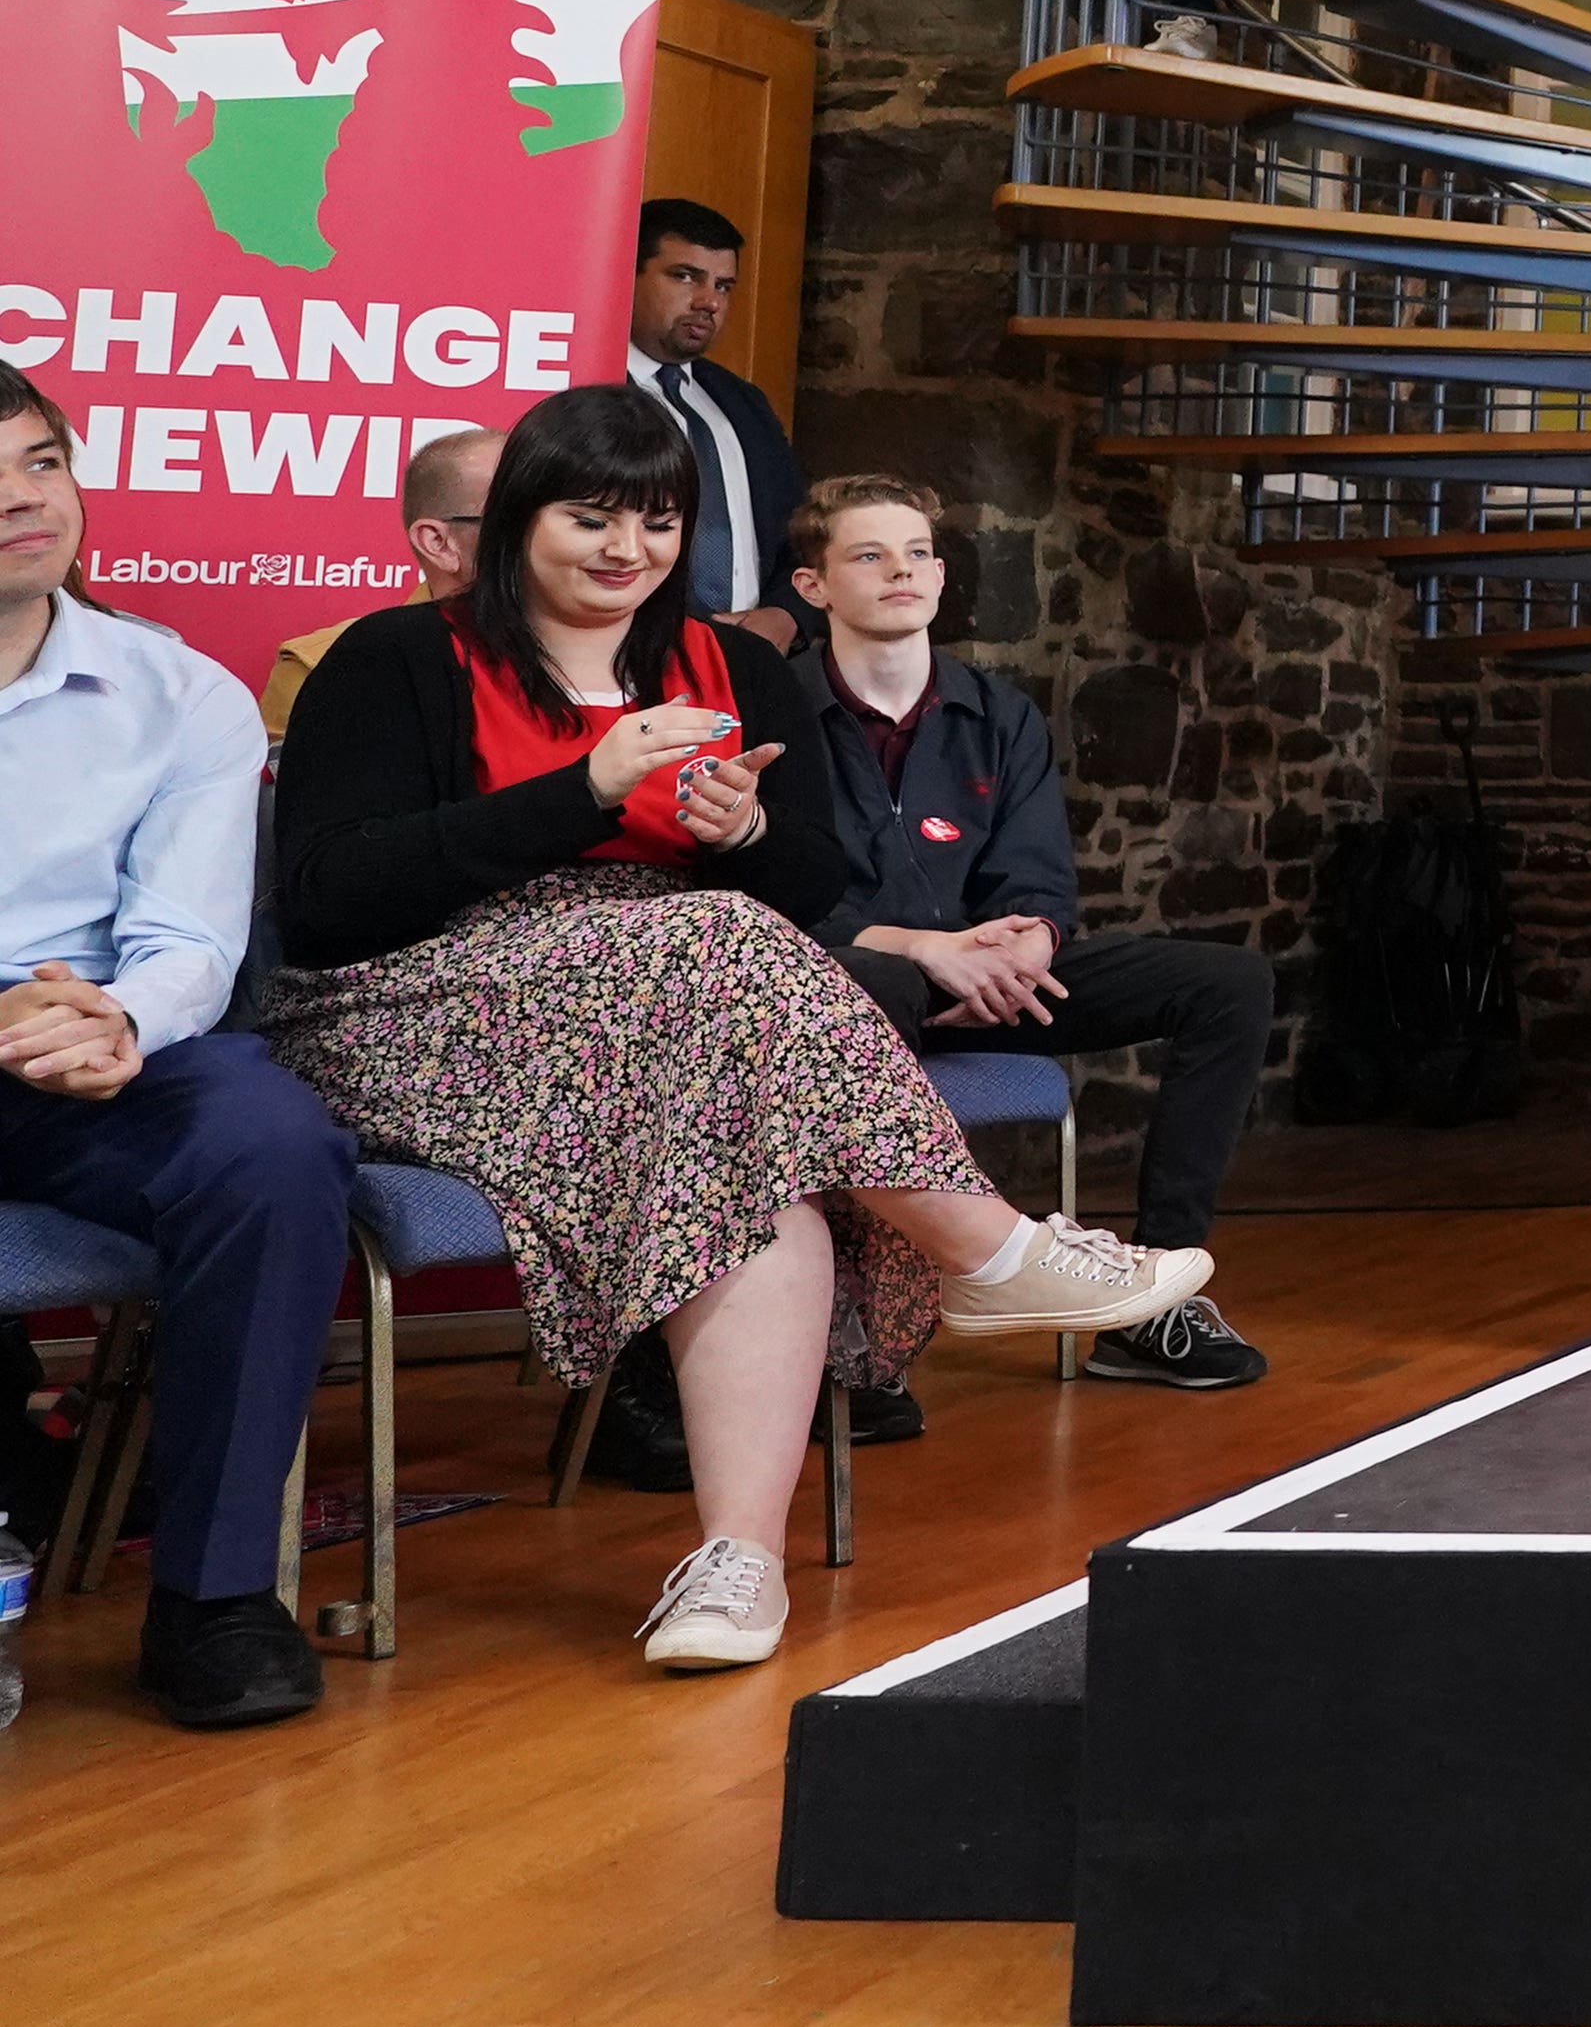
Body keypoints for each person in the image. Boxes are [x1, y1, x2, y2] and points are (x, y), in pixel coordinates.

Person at [265, 389, 1211, 1670]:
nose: (624, 549)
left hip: (681, 1008)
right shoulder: (393, 659)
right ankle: (984, 1247)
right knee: (721, 949)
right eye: (587, 517)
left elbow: (813, 878)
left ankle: (735, 1565)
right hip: (419, 1005)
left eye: (656, 522)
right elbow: (328, 906)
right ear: (514, 523)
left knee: (746, 1134)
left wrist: (745, 835)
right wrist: (582, 793)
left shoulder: (740, 664)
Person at [0, 365, 350, 1730]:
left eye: (38, 462)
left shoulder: (177, 689)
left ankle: (213, 1599)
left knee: (270, 1146)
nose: (20, 500)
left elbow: (193, 930)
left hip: (94, 1036)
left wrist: (123, 1022)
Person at [781, 475, 1275, 1391]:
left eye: (919, 553)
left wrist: (1030, 944)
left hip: (993, 984)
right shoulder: (775, 714)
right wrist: (920, 949)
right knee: (876, 984)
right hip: (851, 991)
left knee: (1228, 983)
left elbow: (1038, 868)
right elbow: (771, 893)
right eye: (869, 555)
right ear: (814, 587)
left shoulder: (996, 712)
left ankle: (1151, 1304)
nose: (904, 572)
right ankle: (850, 1344)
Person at [628, 198, 801, 656]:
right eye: (685, 276)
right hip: (631, 657)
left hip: (753, 658)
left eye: (724, 286)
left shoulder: (742, 403)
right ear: (628, 271)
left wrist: (786, 615)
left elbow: (800, 532)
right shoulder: (583, 388)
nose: (709, 302)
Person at [265, 424, 499, 735]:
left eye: (575, 517)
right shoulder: (326, 668)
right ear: (439, 543)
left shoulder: (581, 663)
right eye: (519, 518)